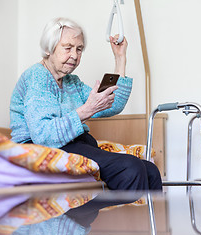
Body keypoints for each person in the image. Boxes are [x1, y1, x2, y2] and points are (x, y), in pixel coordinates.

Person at [10, 17, 162, 191]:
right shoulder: (37, 77)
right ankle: (123, 218)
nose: (74, 55)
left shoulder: (71, 81)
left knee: (150, 171)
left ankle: (150, 218)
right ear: (48, 49)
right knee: (130, 168)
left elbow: (112, 104)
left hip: (75, 145)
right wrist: (87, 110)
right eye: (67, 48)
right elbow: (44, 136)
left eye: (79, 49)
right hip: (41, 150)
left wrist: (120, 59)